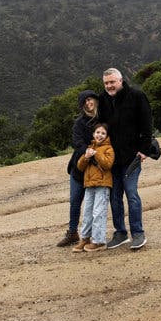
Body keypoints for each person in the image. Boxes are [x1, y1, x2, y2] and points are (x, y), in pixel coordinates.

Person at [98, 68, 154, 250]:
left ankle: (138, 233)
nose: (109, 86)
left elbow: (147, 124)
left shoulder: (137, 96)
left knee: (131, 194)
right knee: (114, 197)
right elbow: (101, 127)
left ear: (121, 80)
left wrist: (144, 150)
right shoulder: (103, 100)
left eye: (112, 82)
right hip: (112, 158)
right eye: (106, 83)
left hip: (132, 157)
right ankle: (120, 233)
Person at [57, 90, 100, 247]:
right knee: (75, 200)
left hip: (98, 168)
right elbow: (77, 143)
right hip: (80, 167)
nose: (88, 103)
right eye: (85, 102)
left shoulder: (104, 118)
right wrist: (89, 152)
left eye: (90, 99)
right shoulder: (79, 123)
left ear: (96, 100)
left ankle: (96, 234)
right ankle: (72, 232)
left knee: (97, 202)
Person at [72, 123, 115, 251]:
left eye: (103, 133)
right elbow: (80, 166)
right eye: (97, 132)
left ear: (106, 136)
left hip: (102, 185)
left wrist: (96, 154)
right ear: (93, 134)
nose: (99, 135)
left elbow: (107, 164)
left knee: (98, 213)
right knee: (87, 213)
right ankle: (85, 238)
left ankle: (99, 241)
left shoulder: (109, 149)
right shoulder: (89, 147)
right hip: (89, 185)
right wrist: (86, 157)